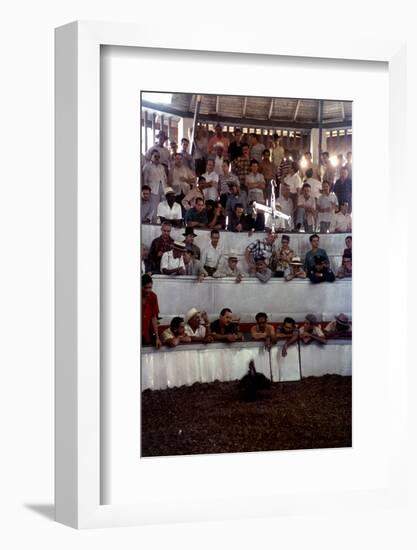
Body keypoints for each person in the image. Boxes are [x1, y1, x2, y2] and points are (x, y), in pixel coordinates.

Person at [142, 149, 166, 222]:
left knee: (162, 207)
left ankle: (162, 223)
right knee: (154, 208)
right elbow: (145, 180)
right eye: (155, 156)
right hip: (152, 190)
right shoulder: (147, 166)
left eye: (158, 156)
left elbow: (165, 179)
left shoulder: (161, 167)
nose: (157, 158)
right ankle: (153, 223)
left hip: (162, 189)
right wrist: (146, 192)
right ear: (151, 156)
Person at [141, 274, 161, 348]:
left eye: (150, 288)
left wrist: (157, 338)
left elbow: (154, 318)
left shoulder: (153, 297)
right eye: (145, 288)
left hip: (146, 334)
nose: (148, 290)